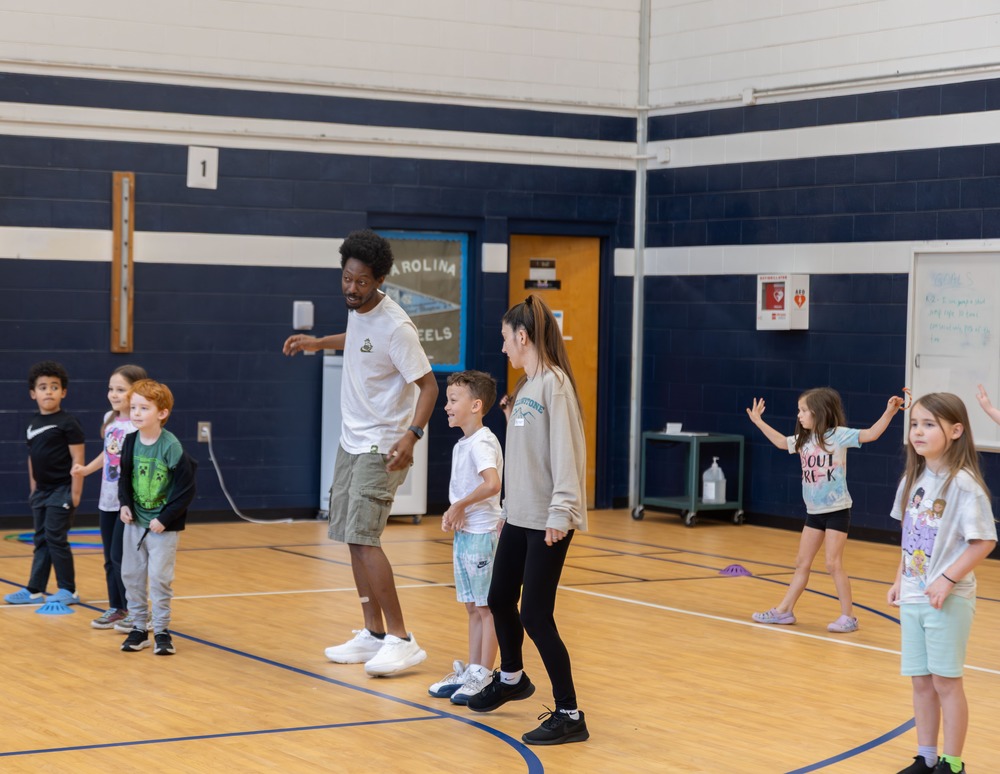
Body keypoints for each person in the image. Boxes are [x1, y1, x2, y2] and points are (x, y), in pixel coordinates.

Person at [282, 229, 438, 677]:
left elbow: (427, 385)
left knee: (367, 540)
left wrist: (412, 435)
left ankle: (401, 638)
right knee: (351, 537)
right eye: (347, 278)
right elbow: (359, 340)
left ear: (380, 280)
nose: (352, 288)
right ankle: (372, 632)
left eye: (362, 282)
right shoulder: (359, 312)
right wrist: (317, 343)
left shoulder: (397, 326)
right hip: (351, 440)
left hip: (382, 445)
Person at [466, 295, 590, 746]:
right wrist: (508, 510)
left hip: (548, 521)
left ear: (523, 337)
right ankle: (514, 678)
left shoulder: (555, 384)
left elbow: (566, 452)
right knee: (499, 597)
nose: (503, 349)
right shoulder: (525, 387)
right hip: (519, 516)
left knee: (536, 615)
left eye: (505, 339)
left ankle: (570, 713)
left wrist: (561, 512)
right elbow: (524, 456)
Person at [888, 393, 996, 774]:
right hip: (915, 595)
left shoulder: (965, 485)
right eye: (914, 424)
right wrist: (900, 577)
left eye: (929, 424)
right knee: (920, 682)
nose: (918, 431)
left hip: (947, 599)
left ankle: (951, 763)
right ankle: (926, 756)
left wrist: (948, 579)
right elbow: (909, 532)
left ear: (955, 430)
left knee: (946, 682)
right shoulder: (912, 479)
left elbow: (984, 541)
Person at [746, 387, 904, 631]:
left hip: (837, 511)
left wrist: (889, 412)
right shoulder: (803, 440)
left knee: (833, 563)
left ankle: (848, 617)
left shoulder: (838, 435)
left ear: (818, 412)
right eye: (798, 410)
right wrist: (758, 421)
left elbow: (871, 434)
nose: (799, 415)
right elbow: (779, 441)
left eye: (803, 410)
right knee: (802, 562)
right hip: (814, 513)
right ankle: (784, 611)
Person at [427, 370, 503, 705]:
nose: (446, 406)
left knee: (487, 609)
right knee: (473, 607)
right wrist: (456, 511)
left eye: (453, 400)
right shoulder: (464, 443)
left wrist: (459, 506)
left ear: (476, 405)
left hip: (483, 535)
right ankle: (473, 668)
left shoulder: (483, 442)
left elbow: (492, 483)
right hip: (466, 537)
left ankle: (484, 674)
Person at [118, 379, 197, 656]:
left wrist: (165, 518)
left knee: (159, 578)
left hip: (162, 527)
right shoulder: (130, 442)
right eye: (134, 407)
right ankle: (139, 628)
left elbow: (186, 489)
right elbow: (124, 478)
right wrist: (124, 505)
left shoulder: (170, 446)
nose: (136, 413)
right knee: (132, 575)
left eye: (144, 408)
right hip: (134, 523)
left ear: (162, 413)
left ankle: (162, 630)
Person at [71, 364, 148, 629]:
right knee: (109, 558)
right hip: (107, 500)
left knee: (122, 558)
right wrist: (85, 470)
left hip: (127, 503)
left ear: (136, 391)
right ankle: (117, 607)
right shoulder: (110, 419)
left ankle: (138, 611)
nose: (113, 394)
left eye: (120, 390)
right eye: (110, 389)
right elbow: (108, 454)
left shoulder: (139, 425)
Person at [5, 361, 86, 606]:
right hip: (41, 492)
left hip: (62, 491)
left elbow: (78, 459)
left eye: (54, 386)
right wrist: (33, 490)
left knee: (55, 538)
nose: (48, 391)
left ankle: (68, 589)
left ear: (63, 392)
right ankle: (34, 589)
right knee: (40, 539)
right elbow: (33, 458)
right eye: (42, 387)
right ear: (33, 393)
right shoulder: (31, 424)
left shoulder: (68, 423)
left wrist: (75, 494)